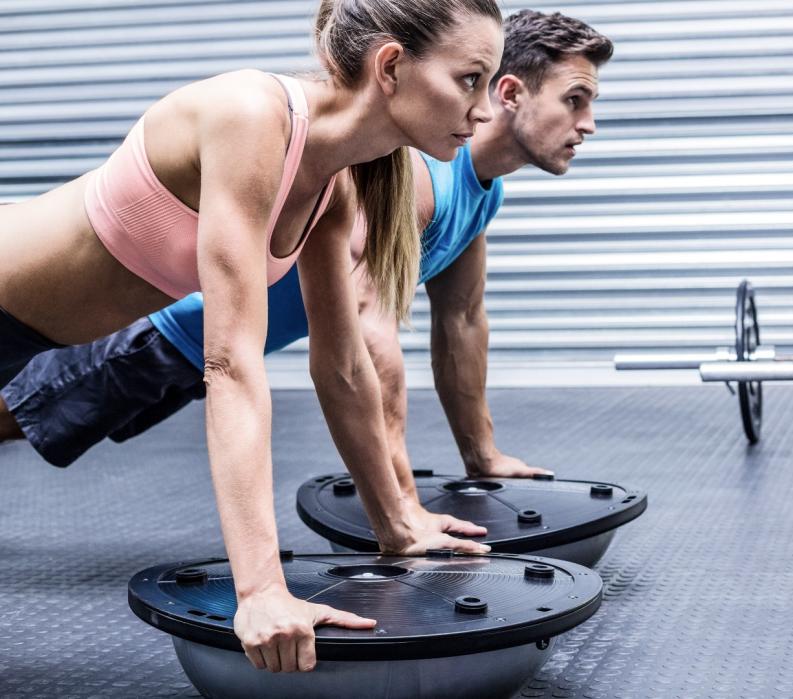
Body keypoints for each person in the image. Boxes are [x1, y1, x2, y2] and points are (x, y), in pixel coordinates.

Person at [0, 0, 504, 673]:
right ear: (390, 66)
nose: (484, 109)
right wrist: (262, 589)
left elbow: (343, 366)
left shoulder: (336, 188)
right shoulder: (252, 115)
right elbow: (231, 362)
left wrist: (398, 522)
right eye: (470, 79)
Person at [0, 11, 614, 500]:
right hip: (160, 330)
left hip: (209, 347)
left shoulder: (480, 191)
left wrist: (482, 457)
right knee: (12, 419)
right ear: (510, 92)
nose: (588, 124)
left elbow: (462, 322)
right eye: (575, 99)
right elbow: (368, 336)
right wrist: (399, 503)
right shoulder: (422, 178)